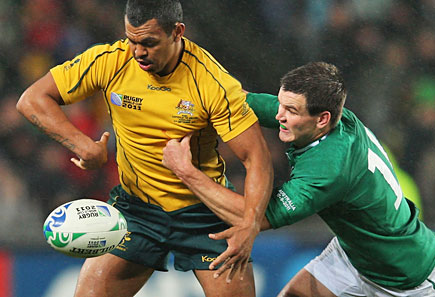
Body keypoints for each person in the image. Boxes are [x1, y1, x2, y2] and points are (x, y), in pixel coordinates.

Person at [16, 0, 273, 296]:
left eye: (149, 43)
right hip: (136, 212)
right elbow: (32, 100)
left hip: (205, 213)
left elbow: (257, 158)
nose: (138, 51)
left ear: (177, 32)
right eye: (132, 40)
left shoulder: (212, 83)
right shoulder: (111, 60)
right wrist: (84, 146)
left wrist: (250, 225)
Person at [162, 62, 435, 297]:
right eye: (282, 104)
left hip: (412, 281)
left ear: (322, 119)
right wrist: (183, 98)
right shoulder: (325, 120)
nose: (280, 115)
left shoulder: (329, 171)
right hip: (355, 257)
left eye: (291, 111)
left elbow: (252, 218)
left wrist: (186, 172)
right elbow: (238, 102)